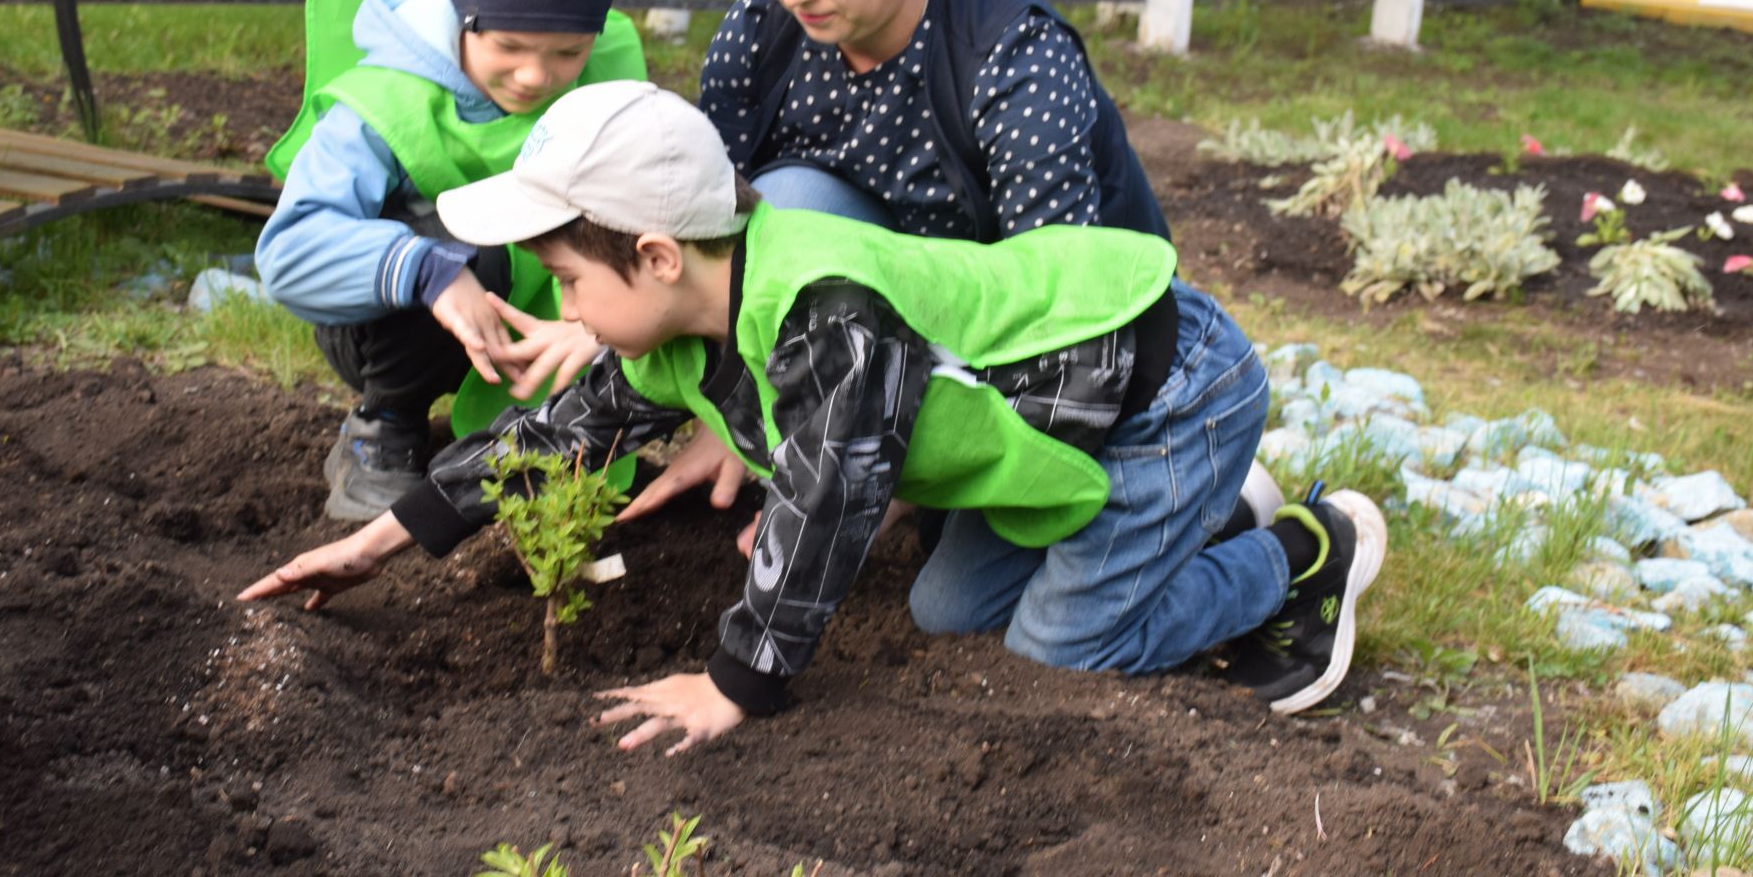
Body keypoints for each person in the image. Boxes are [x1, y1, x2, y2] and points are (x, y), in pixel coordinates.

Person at [240, 81, 1389, 748]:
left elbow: (833, 498)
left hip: (1165, 391)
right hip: (1056, 425)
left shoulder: (824, 314)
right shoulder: (689, 325)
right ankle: (1198, 520)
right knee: (945, 613)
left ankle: (1300, 550)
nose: (566, 307)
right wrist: (378, 540)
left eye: (571, 280)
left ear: (651, 254)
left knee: (1067, 652)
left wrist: (736, 681)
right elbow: (552, 434)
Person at [635, 0, 1279, 539]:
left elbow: (1054, 306)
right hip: (907, 318)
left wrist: (874, 485)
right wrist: (725, 419)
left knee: (971, 595)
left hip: (1051, 352)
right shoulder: (768, 24)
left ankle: (1204, 487)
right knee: (778, 204)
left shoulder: (1013, 62)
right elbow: (712, 223)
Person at [256, 0, 644, 521]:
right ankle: (385, 427)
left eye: (566, 52)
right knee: (472, 241)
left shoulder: (607, 82)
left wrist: (603, 332)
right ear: (467, 15)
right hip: (392, 320)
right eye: (510, 45)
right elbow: (288, 254)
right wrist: (428, 271)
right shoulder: (383, 101)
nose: (534, 75)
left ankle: (550, 426)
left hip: (546, 315)